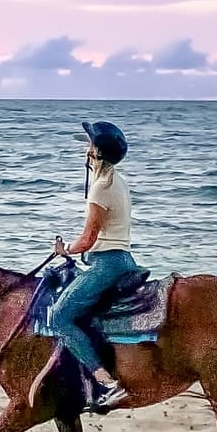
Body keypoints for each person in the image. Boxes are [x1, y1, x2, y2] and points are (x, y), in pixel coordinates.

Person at [47, 118, 138, 411]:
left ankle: (105, 383)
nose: (86, 150)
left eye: (89, 145)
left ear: (97, 153)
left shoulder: (101, 187)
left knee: (59, 316)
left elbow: (88, 238)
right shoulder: (118, 181)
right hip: (123, 259)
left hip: (106, 263)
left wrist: (66, 251)